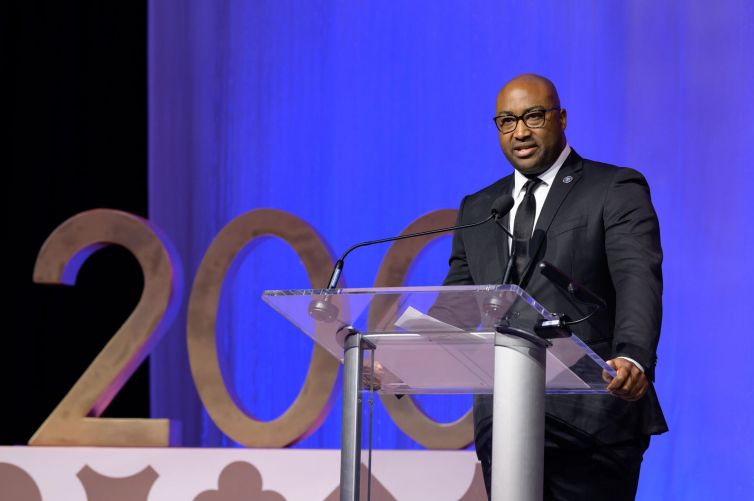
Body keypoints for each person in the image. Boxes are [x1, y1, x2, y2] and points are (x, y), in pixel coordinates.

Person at [441, 74, 668, 500]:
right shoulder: (481, 206)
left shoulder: (612, 188)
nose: (520, 131)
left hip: (592, 417)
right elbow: (456, 306)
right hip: (503, 419)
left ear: (561, 118)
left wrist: (633, 357)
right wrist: (397, 356)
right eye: (507, 121)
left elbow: (638, 279)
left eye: (533, 116)